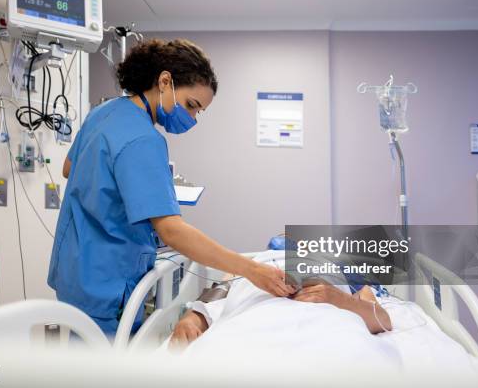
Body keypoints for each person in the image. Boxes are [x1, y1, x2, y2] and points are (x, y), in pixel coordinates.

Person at [47, 38, 295, 337]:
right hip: (106, 281)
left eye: (198, 112)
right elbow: (171, 231)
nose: (191, 118)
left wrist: (130, 189)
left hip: (74, 267)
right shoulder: (144, 140)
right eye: (191, 105)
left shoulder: (104, 112)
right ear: (165, 81)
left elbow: (69, 169)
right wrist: (252, 269)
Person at [170, 278, 392, 348]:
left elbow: (382, 320)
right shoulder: (254, 266)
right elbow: (219, 290)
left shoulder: (332, 276)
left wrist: (338, 297)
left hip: (325, 328)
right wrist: (190, 320)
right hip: (251, 324)